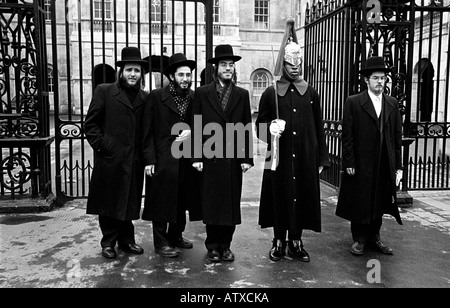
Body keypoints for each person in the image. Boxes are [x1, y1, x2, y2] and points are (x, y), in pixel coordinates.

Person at [256, 18, 330, 262]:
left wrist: (321, 157)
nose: (295, 67)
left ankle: (296, 241)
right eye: (290, 63)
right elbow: (259, 127)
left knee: (301, 196)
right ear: (283, 63)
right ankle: (278, 240)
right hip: (278, 156)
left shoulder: (311, 92)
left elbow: (319, 127)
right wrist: (270, 130)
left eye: (298, 63)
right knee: (279, 196)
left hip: (304, 155)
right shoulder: (270, 93)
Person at [84, 46, 148, 259]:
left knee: (129, 201)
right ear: (121, 72)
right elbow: (91, 124)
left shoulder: (144, 97)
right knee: (109, 202)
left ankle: (127, 240)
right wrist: (103, 146)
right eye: (129, 70)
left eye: (137, 71)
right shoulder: (105, 91)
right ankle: (108, 242)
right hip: (110, 159)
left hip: (133, 160)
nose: (133, 74)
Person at [192, 44, 254, 262]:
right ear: (215, 68)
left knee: (229, 203)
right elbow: (196, 124)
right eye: (224, 65)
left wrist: (247, 158)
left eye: (231, 65)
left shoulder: (242, 94)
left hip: (233, 158)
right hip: (210, 156)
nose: (228, 68)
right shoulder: (202, 93)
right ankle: (212, 247)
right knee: (212, 202)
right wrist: (196, 156)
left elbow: (247, 126)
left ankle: (226, 245)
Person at [336, 56, 403, 256]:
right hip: (362, 161)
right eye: (376, 78)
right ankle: (359, 239)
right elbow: (347, 135)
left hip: (384, 162)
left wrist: (398, 166)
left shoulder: (392, 103)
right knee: (361, 199)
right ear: (367, 80)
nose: (380, 82)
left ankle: (375, 237)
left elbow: (396, 137)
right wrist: (349, 161)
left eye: (383, 78)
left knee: (380, 200)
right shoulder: (354, 102)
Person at [142, 53, 202, 258]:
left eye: (188, 74)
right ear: (171, 76)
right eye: (181, 75)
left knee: (181, 200)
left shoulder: (195, 97)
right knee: (160, 201)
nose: (185, 79)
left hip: (186, 158)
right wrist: (149, 159)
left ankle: (176, 235)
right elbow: (147, 130)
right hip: (162, 158)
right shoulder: (157, 97)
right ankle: (161, 243)